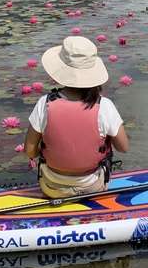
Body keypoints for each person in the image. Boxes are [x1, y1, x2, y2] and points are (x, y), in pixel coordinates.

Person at [23, 36, 129, 198]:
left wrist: (52, 149)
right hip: (93, 187)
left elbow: (30, 151)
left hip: (51, 187)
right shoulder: (105, 106)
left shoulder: (44, 103)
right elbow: (123, 147)